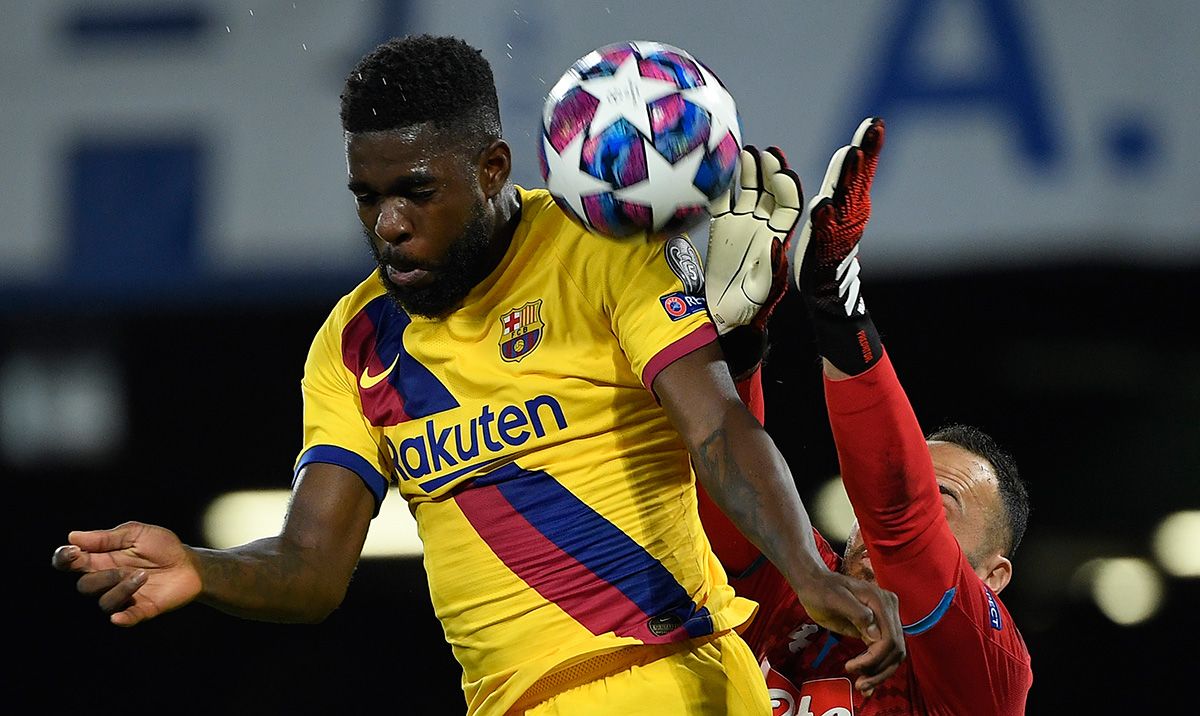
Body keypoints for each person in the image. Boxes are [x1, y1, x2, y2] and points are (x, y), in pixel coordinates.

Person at [51, 35, 906, 716]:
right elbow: (310, 566)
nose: (388, 223)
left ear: (492, 170)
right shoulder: (352, 344)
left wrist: (807, 569)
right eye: (367, 196)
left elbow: (717, 428)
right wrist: (202, 567)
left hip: (672, 676)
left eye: (416, 192)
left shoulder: (599, 254)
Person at [699, 117, 1034, 714]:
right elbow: (726, 500)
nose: (875, 525)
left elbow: (902, 523)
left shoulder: (988, 672)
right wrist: (732, 353)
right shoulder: (795, 596)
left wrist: (836, 308)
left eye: (944, 506)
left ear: (993, 577)